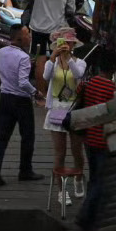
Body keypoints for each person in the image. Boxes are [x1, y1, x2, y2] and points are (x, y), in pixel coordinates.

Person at [73, 47, 116, 231]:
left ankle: (89, 214)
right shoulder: (112, 89)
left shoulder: (88, 84)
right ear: (114, 67)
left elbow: (78, 99)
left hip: (88, 137)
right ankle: (86, 216)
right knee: (100, 181)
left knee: (93, 178)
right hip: (102, 139)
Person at [0, 25, 39, 186]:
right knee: (27, 136)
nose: (30, 37)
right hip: (21, 101)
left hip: (5, 99)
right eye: (27, 34)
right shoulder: (23, 58)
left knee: (2, 137)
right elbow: (23, 82)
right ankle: (25, 170)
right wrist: (35, 92)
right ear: (19, 38)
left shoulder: (1, 52)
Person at [39, 30, 87, 191]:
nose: (66, 45)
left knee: (76, 150)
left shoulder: (80, 62)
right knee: (60, 153)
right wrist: (53, 57)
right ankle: (60, 189)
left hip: (74, 108)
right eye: (63, 43)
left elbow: (78, 74)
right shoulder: (52, 62)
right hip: (57, 108)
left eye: (69, 43)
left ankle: (79, 178)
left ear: (74, 44)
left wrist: (68, 58)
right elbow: (46, 76)